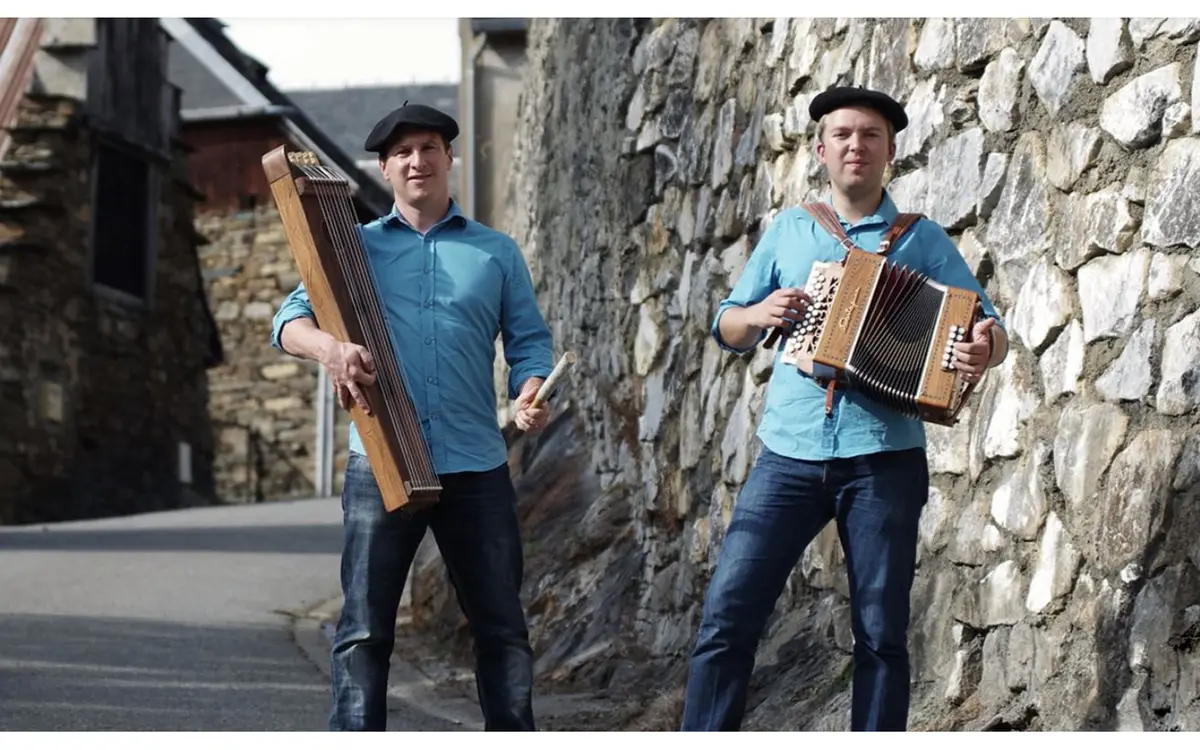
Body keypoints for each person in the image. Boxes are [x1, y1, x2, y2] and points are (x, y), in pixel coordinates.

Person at [680, 86, 1008, 732]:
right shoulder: (791, 229)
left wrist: (980, 348)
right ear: (821, 148)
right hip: (789, 455)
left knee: (882, 635)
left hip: (884, 460)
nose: (856, 146)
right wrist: (758, 314)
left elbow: (988, 326)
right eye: (843, 135)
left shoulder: (922, 242)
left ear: (890, 151)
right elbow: (726, 323)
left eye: (870, 136)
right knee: (728, 616)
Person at [269, 102, 555, 731]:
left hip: (476, 466)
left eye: (428, 147)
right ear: (384, 167)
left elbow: (531, 343)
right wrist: (332, 351)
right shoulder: (352, 248)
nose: (416, 161)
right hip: (381, 461)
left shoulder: (496, 253)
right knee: (364, 632)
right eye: (403, 152)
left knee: (501, 629)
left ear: (449, 158)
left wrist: (530, 388)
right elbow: (288, 323)